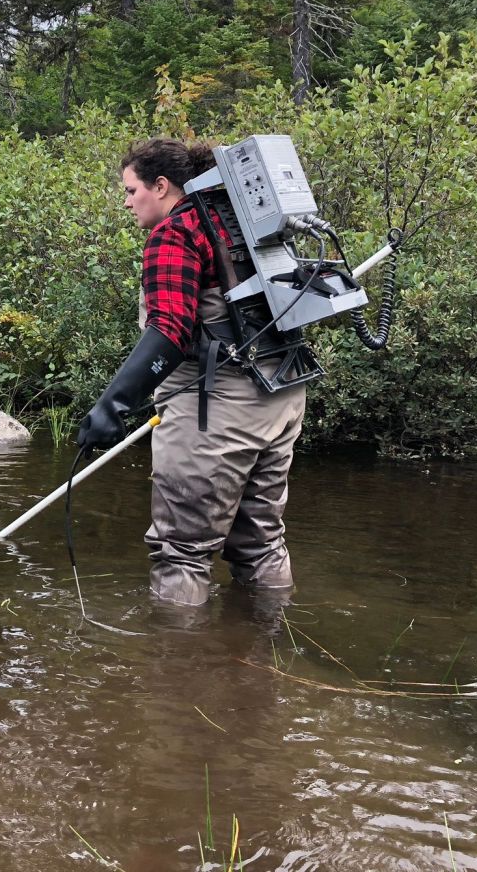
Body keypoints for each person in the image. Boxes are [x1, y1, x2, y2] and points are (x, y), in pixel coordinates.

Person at [76, 137, 307, 606]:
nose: (126, 203)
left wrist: (113, 405)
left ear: (161, 186)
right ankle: (267, 660)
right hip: (282, 397)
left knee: (180, 552)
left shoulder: (176, 233)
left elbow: (171, 330)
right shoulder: (236, 217)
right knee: (261, 543)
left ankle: (179, 671)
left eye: (130, 190)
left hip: (218, 410)